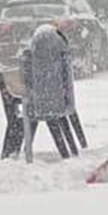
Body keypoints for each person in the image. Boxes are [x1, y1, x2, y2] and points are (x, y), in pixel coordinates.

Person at [18, 22, 83, 161]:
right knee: (59, 122)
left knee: (31, 118)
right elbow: (67, 78)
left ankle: (24, 150)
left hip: (38, 101)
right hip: (60, 101)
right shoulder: (60, 49)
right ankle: (70, 149)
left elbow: (26, 78)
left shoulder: (34, 50)